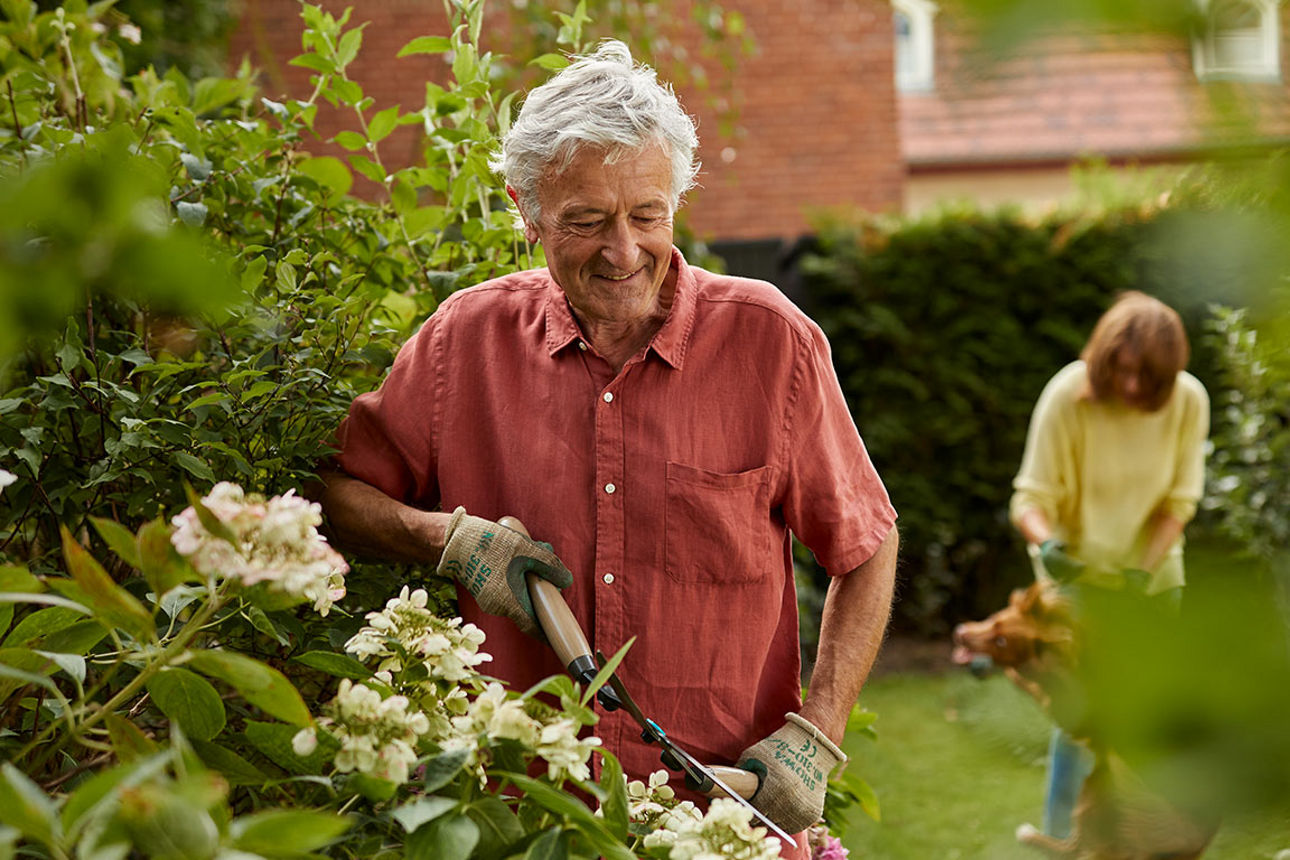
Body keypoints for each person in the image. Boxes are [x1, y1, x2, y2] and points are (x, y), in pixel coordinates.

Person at [316, 40, 899, 854]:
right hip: (519, 822)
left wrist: (818, 734)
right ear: (528, 212)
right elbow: (338, 493)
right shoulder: (464, 342)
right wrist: (444, 540)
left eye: (646, 216)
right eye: (586, 221)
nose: (623, 252)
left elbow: (866, 546)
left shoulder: (772, 344)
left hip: (715, 822)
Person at [1009, 290, 1210, 839]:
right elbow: (1029, 500)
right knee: (1082, 724)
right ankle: (1063, 840)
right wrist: (1049, 546)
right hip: (1075, 586)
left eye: (1147, 376)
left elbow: (1179, 503)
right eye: (1121, 370)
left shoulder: (1189, 401)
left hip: (1153, 582)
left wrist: (1141, 571)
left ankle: (1145, 840)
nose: (1131, 386)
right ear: (1102, 360)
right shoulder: (1067, 396)